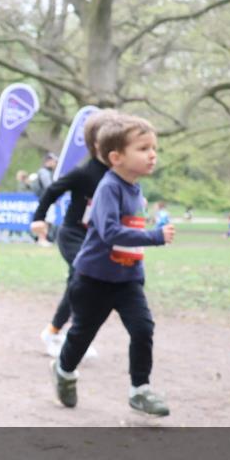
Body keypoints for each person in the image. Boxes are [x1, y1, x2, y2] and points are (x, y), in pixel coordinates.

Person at [52, 115, 175, 417]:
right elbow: (109, 232)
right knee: (82, 334)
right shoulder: (109, 187)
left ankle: (140, 390)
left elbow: (129, 235)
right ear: (116, 157)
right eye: (143, 148)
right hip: (94, 279)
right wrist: (155, 236)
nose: (152, 154)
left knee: (143, 328)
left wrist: (137, 268)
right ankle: (64, 371)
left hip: (128, 279)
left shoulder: (135, 189)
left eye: (154, 148)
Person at [31, 109, 120, 359]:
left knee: (85, 283)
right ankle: (57, 333)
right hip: (72, 235)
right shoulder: (84, 173)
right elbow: (52, 191)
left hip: (97, 239)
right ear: (96, 144)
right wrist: (38, 218)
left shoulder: (118, 176)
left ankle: (67, 334)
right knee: (84, 278)